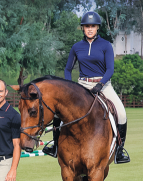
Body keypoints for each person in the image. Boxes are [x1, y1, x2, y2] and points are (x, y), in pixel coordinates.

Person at [43, 11, 130, 164]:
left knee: (121, 113)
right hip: (81, 84)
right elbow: (68, 69)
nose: (90, 29)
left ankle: (119, 151)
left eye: (93, 26)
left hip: (103, 85)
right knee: (59, 113)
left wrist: (100, 84)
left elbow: (110, 69)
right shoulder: (77, 47)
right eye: (87, 26)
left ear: (98, 28)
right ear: (83, 28)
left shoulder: (106, 45)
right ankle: (55, 146)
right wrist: (69, 88)